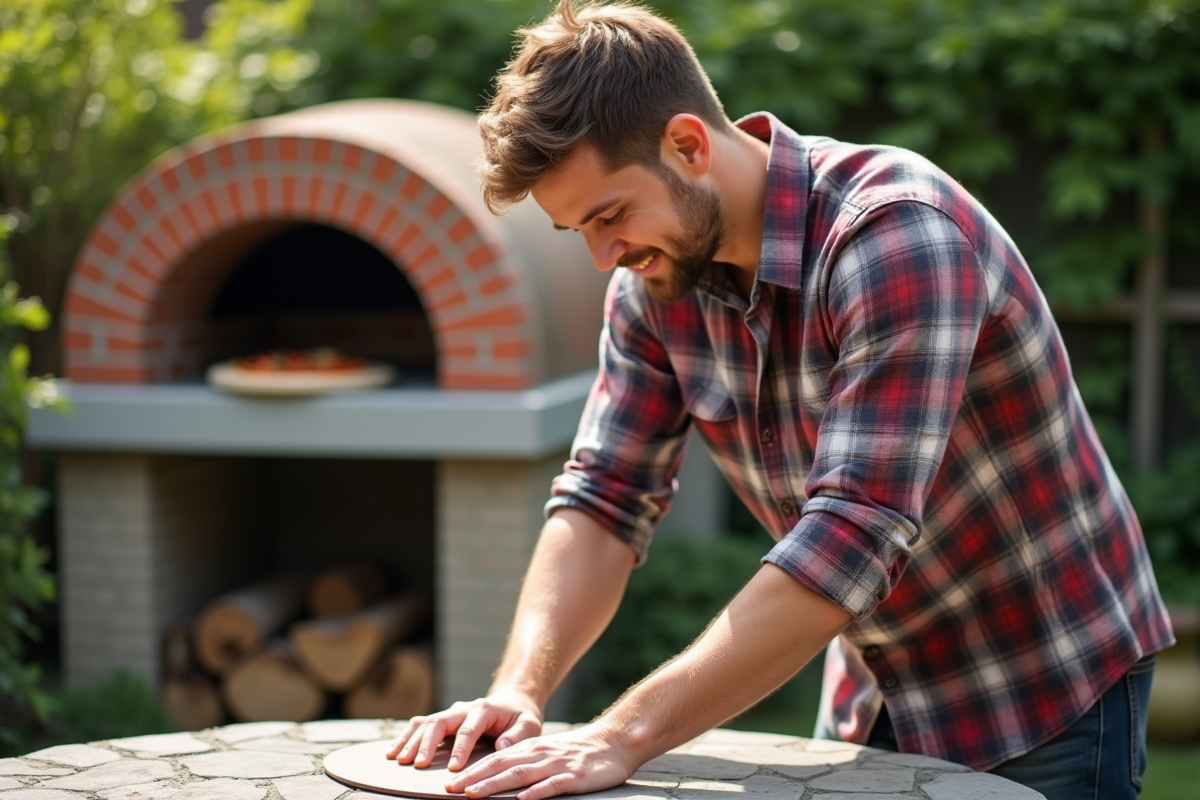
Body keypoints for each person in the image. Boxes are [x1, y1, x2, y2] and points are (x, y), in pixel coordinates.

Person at [386, 2, 1175, 798]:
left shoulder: (896, 234)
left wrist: (620, 735)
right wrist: (518, 690)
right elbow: (603, 497)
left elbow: (851, 534)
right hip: (870, 683)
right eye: (578, 232)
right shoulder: (654, 279)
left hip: (1044, 683)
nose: (604, 257)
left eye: (610, 215)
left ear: (688, 144)